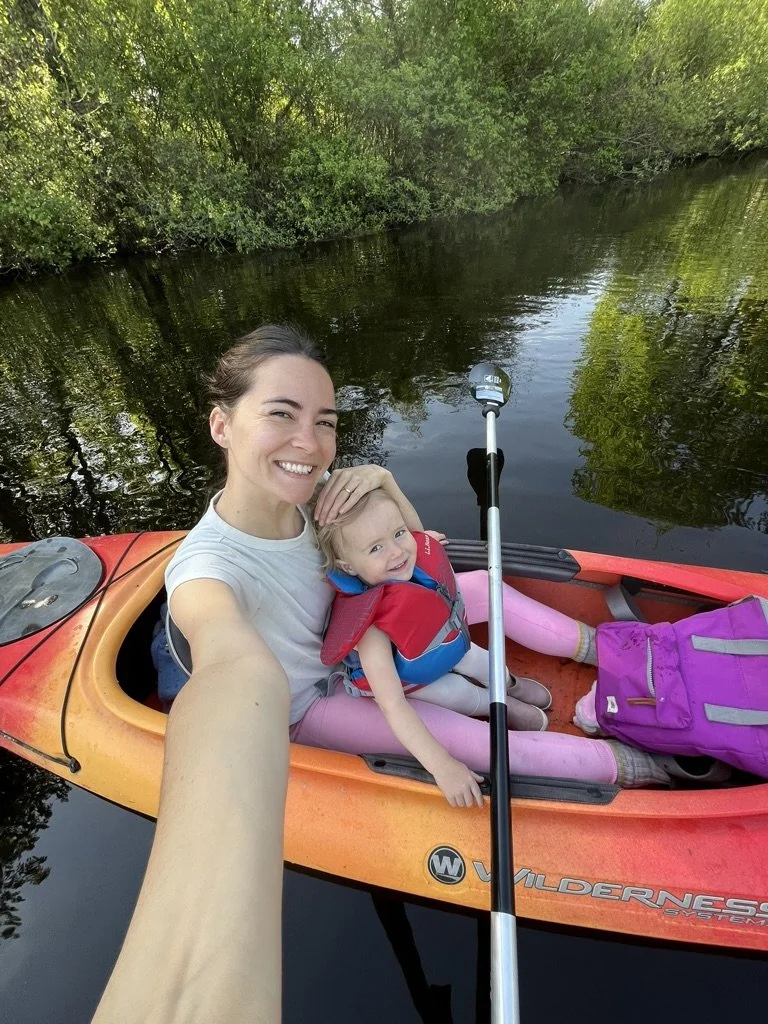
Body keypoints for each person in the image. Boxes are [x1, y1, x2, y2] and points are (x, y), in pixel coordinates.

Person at [160, 322, 671, 802]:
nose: (310, 444)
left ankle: (621, 657)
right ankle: (641, 765)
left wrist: (385, 479)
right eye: (281, 413)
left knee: (483, 587)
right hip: (322, 697)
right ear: (221, 425)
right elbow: (224, 658)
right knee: (473, 744)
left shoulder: (315, 491)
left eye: (325, 422)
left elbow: (420, 548)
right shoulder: (206, 572)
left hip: (373, 627)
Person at [316, 486, 554, 806]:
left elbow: (412, 538)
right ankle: (499, 706)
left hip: (442, 641)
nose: (397, 552)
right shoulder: (370, 630)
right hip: (412, 678)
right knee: (458, 693)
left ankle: (511, 684)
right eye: (375, 548)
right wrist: (442, 767)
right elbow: (393, 705)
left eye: (399, 534)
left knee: (484, 661)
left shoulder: (407, 558)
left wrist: (403, 516)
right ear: (347, 566)